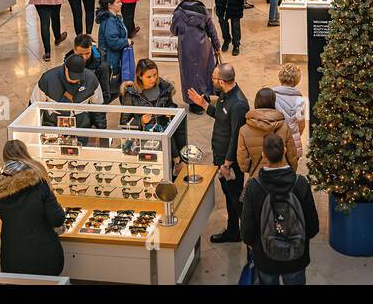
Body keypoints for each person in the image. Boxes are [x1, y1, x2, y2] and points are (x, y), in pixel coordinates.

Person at [0, 140, 66, 277]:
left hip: (13, 255)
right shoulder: (38, 182)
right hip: (44, 254)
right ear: (25, 153)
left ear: (5, 157)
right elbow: (57, 218)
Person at [239, 133, 319, 285]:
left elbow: (247, 231)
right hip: (296, 257)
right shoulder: (300, 184)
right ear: (284, 151)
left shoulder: (254, 187)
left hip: (265, 258)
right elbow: (313, 226)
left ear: (263, 154)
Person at [185, 63, 248, 244]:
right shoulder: (224, 95)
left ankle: (251, 234)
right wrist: (204, 104)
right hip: (221, 157)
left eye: (213, 78)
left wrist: (227, 164)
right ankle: (233, 231)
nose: (211, 80)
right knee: (229, 195)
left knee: (237, 199)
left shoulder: (238, 104)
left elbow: (236, 137)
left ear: (222, 81)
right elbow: (221, 116)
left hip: (230, 162)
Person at [170, 0, 220, 115]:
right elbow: (211, 28)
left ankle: (194, 103)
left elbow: (174, 30)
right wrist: (217, 46)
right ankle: (205, 95)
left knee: (189, 74)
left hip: (186, 47)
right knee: (205, 70)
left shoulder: (178, 13)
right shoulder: (202, 9)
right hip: (203, 46)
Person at [120, 58, 186, 150]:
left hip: (166, 136)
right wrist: (141, 121)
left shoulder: (164, 87)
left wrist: (170, 110)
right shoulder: (130, 94)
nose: (153, 79)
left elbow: (171, 105)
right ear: (139, 76)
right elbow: (124, 124)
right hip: (143, 141)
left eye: (155, 75)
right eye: (149, 77)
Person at [236, 87, 300, 182]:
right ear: (273, 102)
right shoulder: (284, 127)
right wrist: (291, 170)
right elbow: (292, 155)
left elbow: (243, 161)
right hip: (281, 176)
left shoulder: (244, 130)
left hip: (258, 178)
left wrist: (252, 168)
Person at [32, 49, 105, 129]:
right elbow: (32, 108)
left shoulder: (91, 79)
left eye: (78, 77)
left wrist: (102, 131)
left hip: (82, 127)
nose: (75, 80)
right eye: (72, 76)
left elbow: (99, 108)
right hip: (53, 128)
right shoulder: (47, 80)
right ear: (66, 68)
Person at [95, 0, 131, 102]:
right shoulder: (110, 21)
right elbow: (113, 42)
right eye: (118, 2)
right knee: (111, 92)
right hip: (111, 60)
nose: (121, 4)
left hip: (114, 58)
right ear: (110, 5)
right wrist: (126, 42)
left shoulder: (114, 18)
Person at [272, 64, 307, 158]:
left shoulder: (272, 96)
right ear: (297, 80)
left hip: (274, 142)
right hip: (293, 142)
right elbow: (301, 126)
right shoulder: (300, 100)